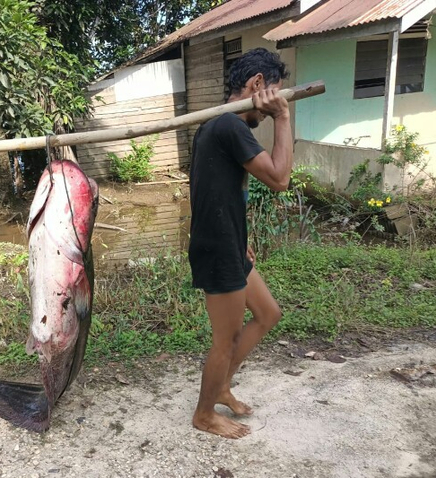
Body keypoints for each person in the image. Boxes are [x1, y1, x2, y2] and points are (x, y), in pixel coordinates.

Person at [188, 48, 292, 438]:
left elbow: (214, 191)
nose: (265, 115)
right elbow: (280, 179)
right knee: (226, 339)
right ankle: (203, 414)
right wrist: (283, 115)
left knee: (268, 313)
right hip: (217, 250)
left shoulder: (213, 126)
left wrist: (239, 235)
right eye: (268, 103)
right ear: (257, 86)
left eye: (272, 111)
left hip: (227, 242)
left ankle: (222, 387)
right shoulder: (229, 126)